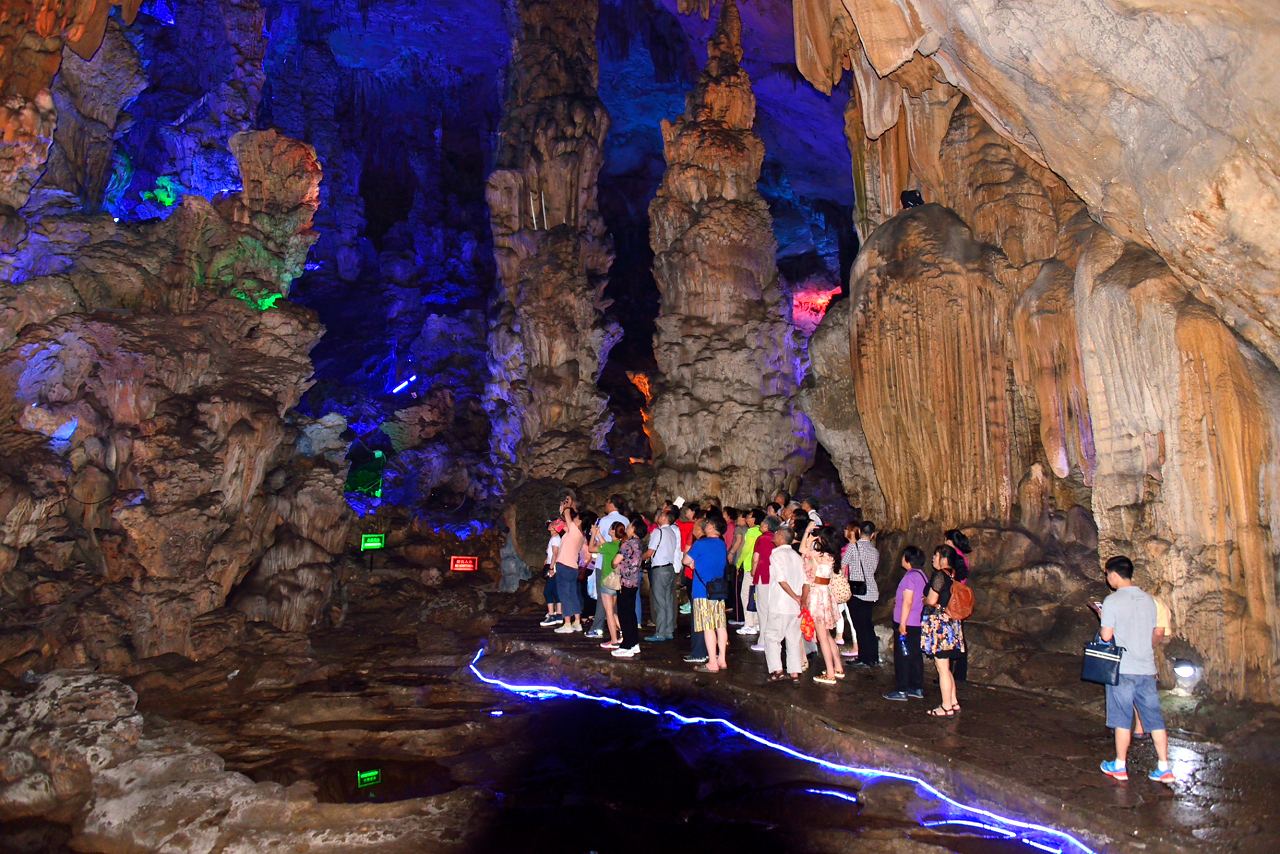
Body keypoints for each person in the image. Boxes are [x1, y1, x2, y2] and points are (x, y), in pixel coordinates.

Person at [1095, 555, 1174, 784]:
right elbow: (1151, 634)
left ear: (1114, 575)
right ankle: (1164, 767)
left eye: (1108, 574)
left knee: (1122, 718)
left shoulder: (1112, 601)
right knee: (1154, 718)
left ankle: (1119, 765)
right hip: (1146, 668)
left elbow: (1107, 635)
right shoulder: (1149, 600)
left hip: (1122, 669)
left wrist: (1104, 619)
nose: (1107, 578)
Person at [921, 545, 966, 715]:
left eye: (936, 555)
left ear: (943, 558)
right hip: (950, 624)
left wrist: (925, 599)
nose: (933, 558)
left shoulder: (940, 575)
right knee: (946, 668)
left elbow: (932, 600)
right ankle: (953, 702)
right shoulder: (952, 575)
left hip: (940, 626)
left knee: (942, 668)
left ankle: (945, 707)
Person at [685, 515, 730, 672]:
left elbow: (685, 560)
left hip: (702, 591)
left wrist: (692, 562)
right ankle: (722, 659)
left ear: (712, 527)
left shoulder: (701, 543)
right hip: (717, 590)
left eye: (708, 523)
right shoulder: (721, 544)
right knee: (720, 625)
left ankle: (712, 662)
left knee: (708, 626)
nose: (706, 525)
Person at [883, 546, 928, 701]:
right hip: (916, 623)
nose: (901, 559)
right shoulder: (922, 575)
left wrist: (902, 624)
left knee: (902, 655)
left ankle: (902, 689)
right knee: (915, 655)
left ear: (908, 559)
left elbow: (908, 601)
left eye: (903, 556)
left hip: (906, 624)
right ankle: (916, 687)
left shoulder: (909, 577)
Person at [763, 527, 807, 682]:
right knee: (793, 638)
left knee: (772, 637)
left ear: (781, 537)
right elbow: (805, 582)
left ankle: (777, 670)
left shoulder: (776, 555)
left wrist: (795, 597)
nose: (774, 535)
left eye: (776, 533)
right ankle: (795, 672)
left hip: (780, 604)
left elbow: (781, 580)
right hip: (795, 608)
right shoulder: (797, 556)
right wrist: (802, 600)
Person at [801, 525, 844, 685]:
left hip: (818, 595)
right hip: (826, 594)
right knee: (827, 635)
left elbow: (802, 549)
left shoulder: (818, 555)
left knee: (822, 637)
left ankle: (830, 673)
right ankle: (838, 667)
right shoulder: (832, 555)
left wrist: (807, 534)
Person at [586, 496, 630, 639]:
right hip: (620, 566)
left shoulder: (603, 521)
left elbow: (598, 544)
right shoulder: (626, 521)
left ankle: (598, 627)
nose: (605, 504)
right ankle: (619, 627)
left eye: (606, 502)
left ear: (611, 504)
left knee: (603, 598)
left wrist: (594, 534)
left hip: (603, 564)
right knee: (616, 599)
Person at [845, 521, 880, 668]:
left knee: (860, 627)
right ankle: (872, 657)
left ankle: (864, 658)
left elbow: (843, 563)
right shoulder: (875, 551)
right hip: (871, 592)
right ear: (872, 535)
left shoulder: (853, 547)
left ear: (859, 532)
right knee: (868, 626)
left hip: (857, 592)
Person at [612, 519, 648, 658]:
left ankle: (627, 645)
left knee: (624, 614)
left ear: (634, 529)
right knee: (631, 613)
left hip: (625, 583)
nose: (627, 528)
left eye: (629, 526)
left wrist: (616, 564)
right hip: (634, 582)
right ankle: (634, 644)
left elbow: (615, 562)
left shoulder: (627, 544)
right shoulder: (639, 544)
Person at [644, 509, 681, 642]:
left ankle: (660, 632)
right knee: (668, 600)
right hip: (670, 568)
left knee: (660, 602)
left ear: (665, 518)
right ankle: (668, 630)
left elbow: (649, 552)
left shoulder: (658, 532)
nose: (658, 517)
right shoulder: (672, 532)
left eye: (661, 515)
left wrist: (638, 558)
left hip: (659, 569)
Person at [552, 506, 588, 633]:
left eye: (576, 518)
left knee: (564, 595)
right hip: (573, 567)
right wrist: (563, 510)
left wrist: (568, 506)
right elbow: (563, 524)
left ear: (579, 522)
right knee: (573, 594)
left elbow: (567, 515)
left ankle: (567, 624)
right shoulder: (580, 536)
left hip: (564, 566)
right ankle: (577, 622)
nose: (574, 519)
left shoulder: (573, 531)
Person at [945, 528, 973, 682]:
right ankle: (959, 673)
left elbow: (951, 580)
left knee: (949, 638)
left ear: (950, 541)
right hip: (959, 602)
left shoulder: (953, 557)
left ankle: (947, 673)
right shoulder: (963, 557)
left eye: (946, 540)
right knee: (959, 637)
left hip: (952, 601)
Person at [750, 516, 780, 653]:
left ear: (767, 526)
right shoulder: (777, 538)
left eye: (761, 523)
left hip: (763, 575)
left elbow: (756, 557)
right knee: (773, 608)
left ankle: (763, 640)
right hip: (775, 577)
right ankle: (774, 640)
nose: (760, 525)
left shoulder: (762, 539)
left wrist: (753, 571)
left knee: (762, 609)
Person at [594, 521, 625, 649]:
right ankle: (624, 633)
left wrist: (594, 535)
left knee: (609, 613)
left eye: (611, 528)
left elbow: (592, 548)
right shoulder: (620, 545)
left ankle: (614, 640)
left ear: (613, 531)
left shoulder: (608, 546)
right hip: (616, 582)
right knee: (613, 611)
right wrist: (598, 534)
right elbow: (603, 543)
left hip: (606, 582)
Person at [735, 510, 764, 636]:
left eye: (749, 517)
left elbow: (746, 550)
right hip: (760, 568)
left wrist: (738, 563)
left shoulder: (752, 531)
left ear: (755, 519)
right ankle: (757, 622)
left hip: (750, 567)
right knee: (756, 595)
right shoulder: (761, 532)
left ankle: (749, 624)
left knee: (746, 595)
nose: (747, 519)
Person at [539, 519, 564, 627]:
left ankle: (551, 615)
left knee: (547, 592)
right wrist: (547, 560)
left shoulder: (555, 538)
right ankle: (559, 614)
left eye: (552, 524)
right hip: (554, 566)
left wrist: (551, 568)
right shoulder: (554, 538)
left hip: (554, 568)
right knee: (555, 591)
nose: (549, 525)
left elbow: (555, 553)